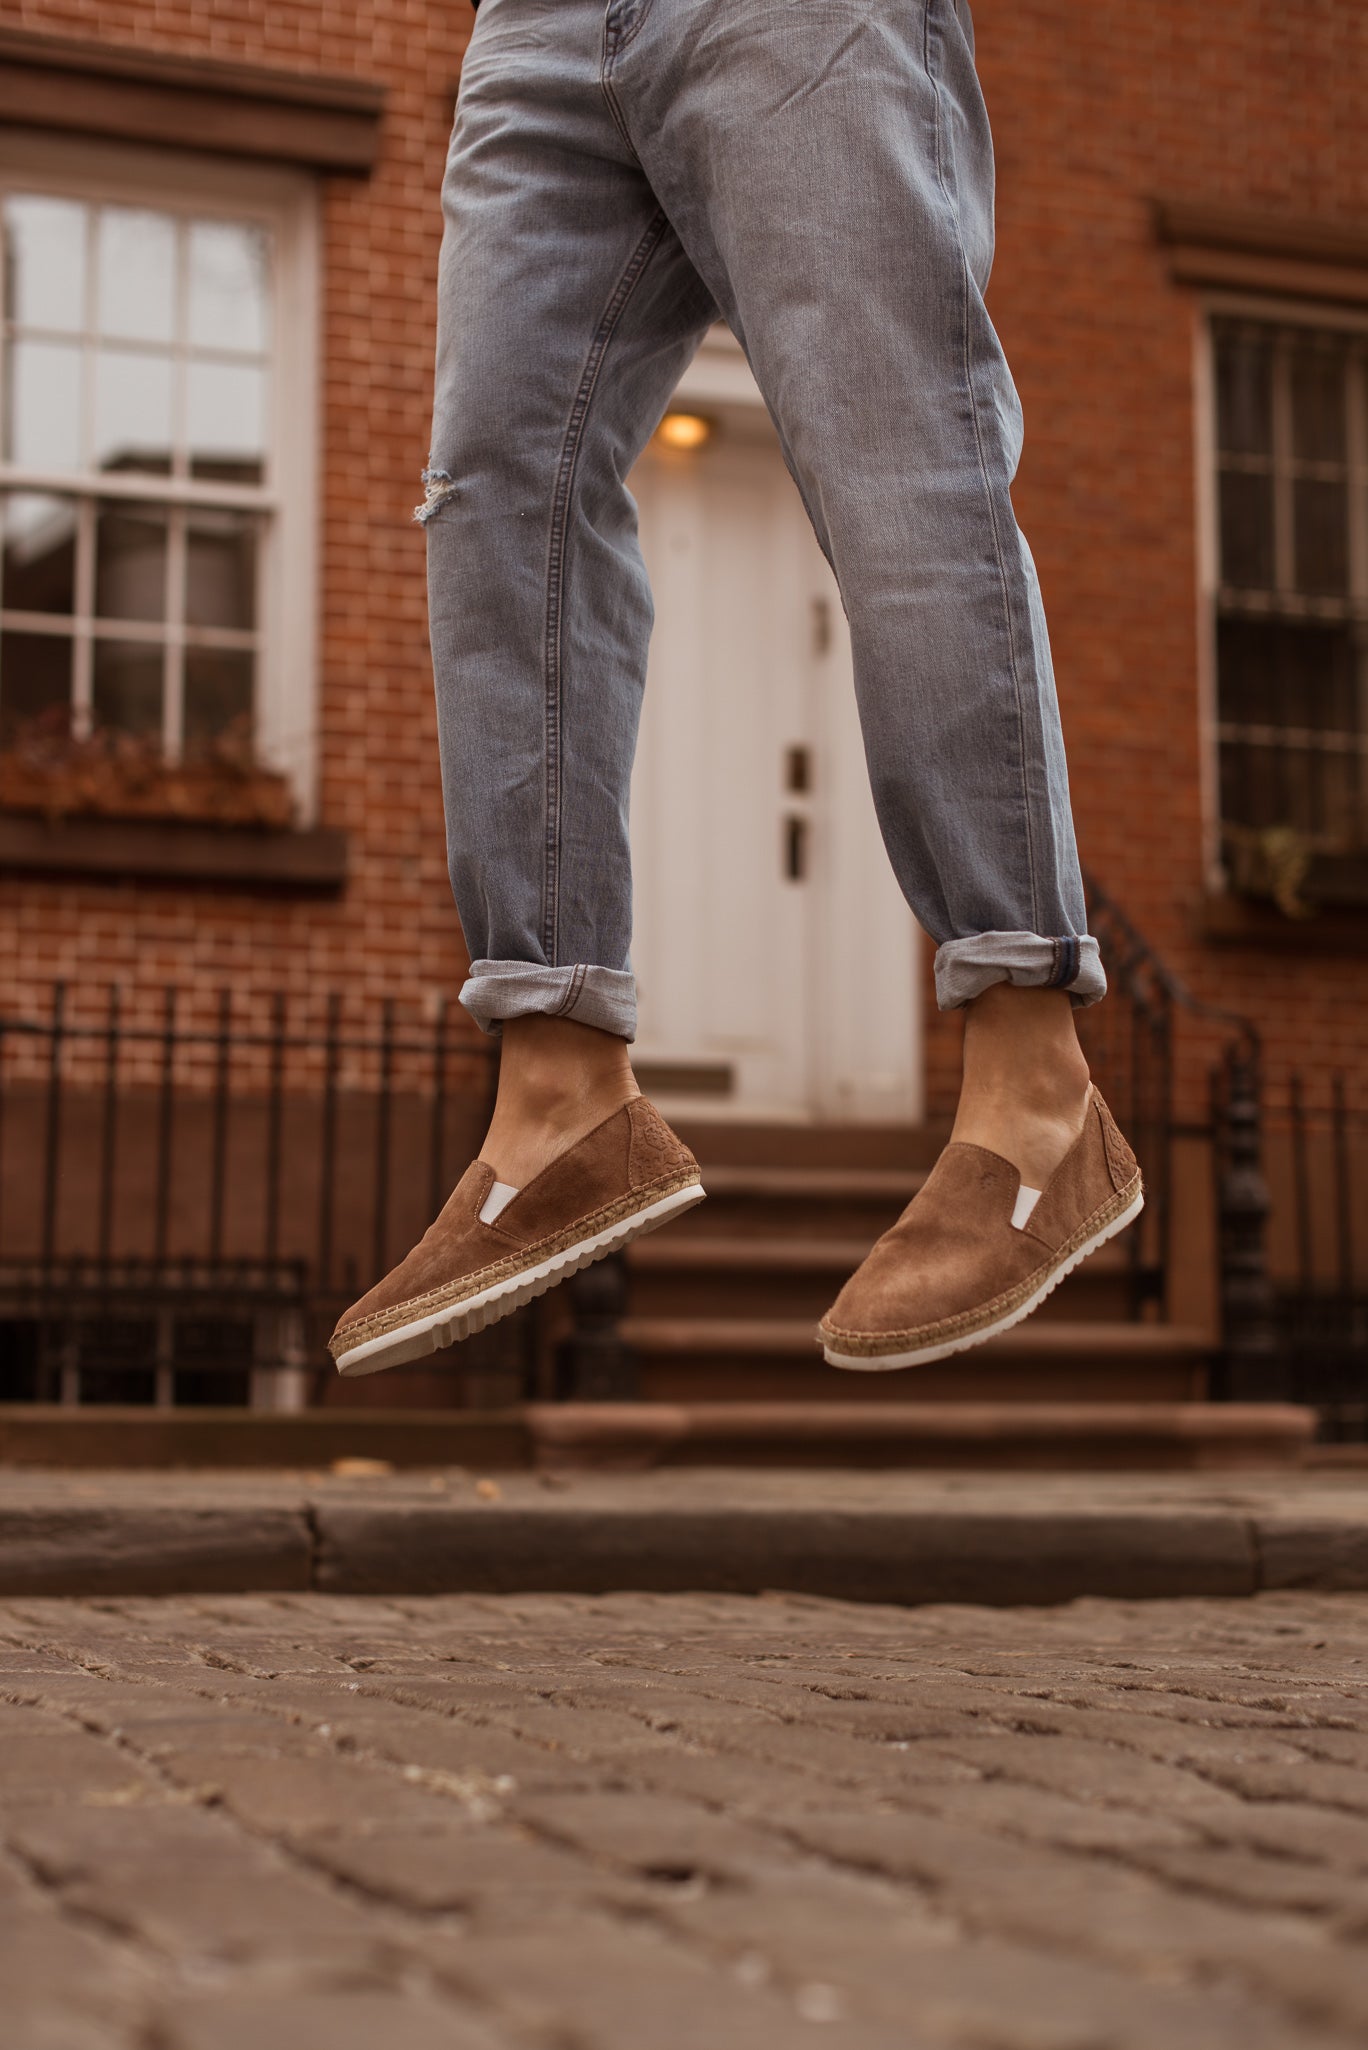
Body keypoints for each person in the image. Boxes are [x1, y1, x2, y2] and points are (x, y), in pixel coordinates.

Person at [329, 0, 1142, 1382]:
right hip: (536, 29)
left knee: (899, 459)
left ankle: (1036, 1083)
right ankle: (561, 1091)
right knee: (490, 491)